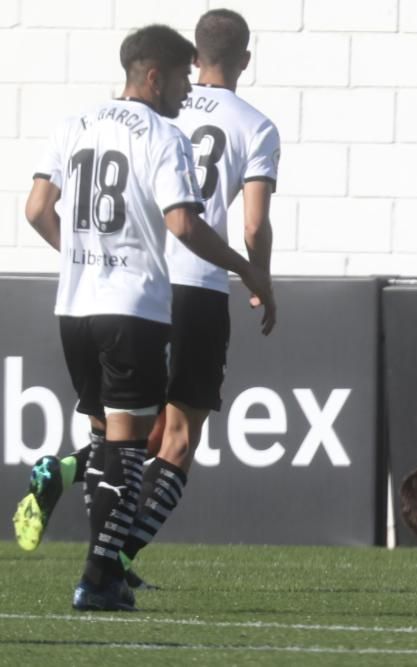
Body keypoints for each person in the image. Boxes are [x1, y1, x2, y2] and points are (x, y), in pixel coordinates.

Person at [13, 9, 281, 589]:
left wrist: (83, 255)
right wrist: (255, 274)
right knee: (170, 443)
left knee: (122, 436)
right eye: (177, 80)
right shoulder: (234, 126)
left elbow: (37, 209)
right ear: (244, 59)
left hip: (92, 293)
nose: (186, 91)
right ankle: (112, 563)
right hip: (177, 286)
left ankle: (74, 497)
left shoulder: (82, 121)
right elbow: (238, 225)